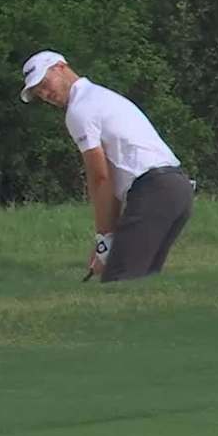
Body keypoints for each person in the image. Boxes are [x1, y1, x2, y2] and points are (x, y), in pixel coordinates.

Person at [19, 50, 195, 282]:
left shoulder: (79, 110)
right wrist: (108, 237)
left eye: (44, 82)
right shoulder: (101, 96)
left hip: (155, 190)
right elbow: (110, 176)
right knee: (143, 284)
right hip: (177, 189)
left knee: (118, 284)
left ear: (61, 67)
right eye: (37, 91)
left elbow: (100, 176)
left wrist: (104, 238)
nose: (44, 93)